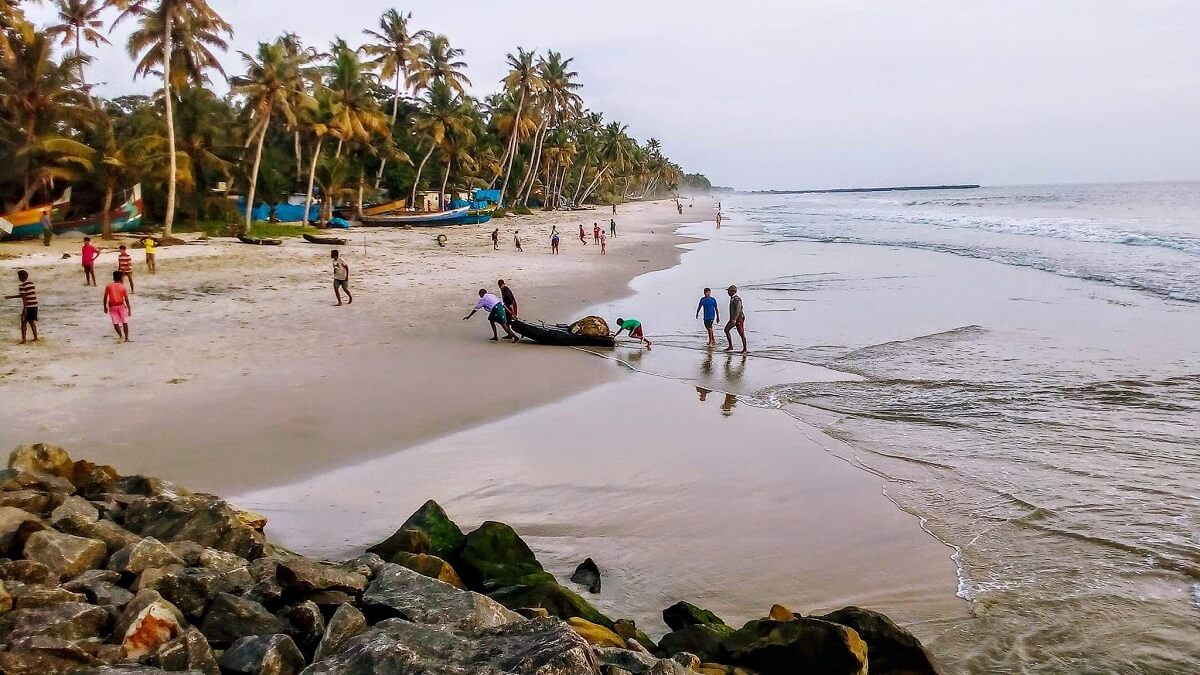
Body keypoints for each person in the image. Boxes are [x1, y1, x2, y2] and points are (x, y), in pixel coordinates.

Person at [6, 270, 39, 343]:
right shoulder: (31, 284)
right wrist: (11, 297)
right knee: (31, 321)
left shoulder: (22, 286)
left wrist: (25, 309)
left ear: (20, 277)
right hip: (34, 305)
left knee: (23, 322)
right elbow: (26, 294)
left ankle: (24, 340)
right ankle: (36, 337)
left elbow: (24, 298)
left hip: (28, 306)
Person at [103, 270, 131, 343]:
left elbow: (105, 298)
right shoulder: (122, 287)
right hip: (121, 305)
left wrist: (105, 307)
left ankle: (121, 335)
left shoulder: (108, 286)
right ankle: (126, 338)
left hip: (112, 306)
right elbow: (126, 299)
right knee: (125, 322)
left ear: (113, 278)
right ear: (121, 278)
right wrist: (129, 309)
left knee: (115, 323)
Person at [724, 285, 747, 353]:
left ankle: (745, 349)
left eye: (729, 291)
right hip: (734, 318)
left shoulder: (737, 299)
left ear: (733, 291)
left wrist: (734, 319)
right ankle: (730, 346)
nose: (728, 292)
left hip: (739, 318)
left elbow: (738, 309)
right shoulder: (732, 298)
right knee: (726, 330)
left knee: (741, 333)